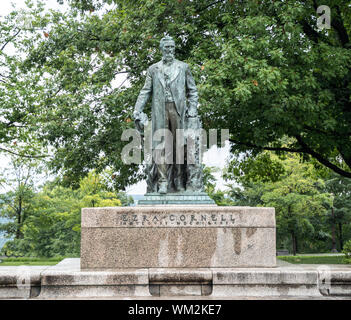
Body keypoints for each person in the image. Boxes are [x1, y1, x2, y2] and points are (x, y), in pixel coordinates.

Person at [133, 36, 200, 194]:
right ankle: (163, 181)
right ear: (161, 49)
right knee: (160, 146)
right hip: (159, 111)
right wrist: (138, 109)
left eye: (172, 47)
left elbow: (192, 91)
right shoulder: (153, 69)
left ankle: (178, 181)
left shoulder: (183, 67)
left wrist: (192, 109)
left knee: (179, 146)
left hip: (178, 111)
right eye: (166, 47)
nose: (169, 50)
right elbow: (145, 91)